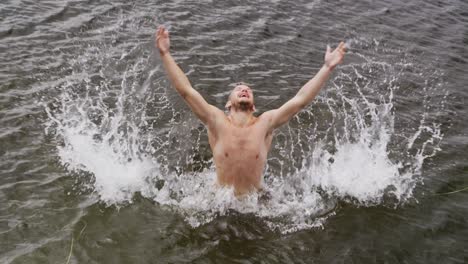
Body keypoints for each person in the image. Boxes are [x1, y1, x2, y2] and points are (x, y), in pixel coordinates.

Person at [155, 25, 346, 196]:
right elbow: (186, 91)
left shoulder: (266, 122)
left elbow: (300, 101)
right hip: (220, 201)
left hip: (256, 203)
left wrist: (327, 67)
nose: (244, 89)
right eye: (238, 89)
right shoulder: (216, 120)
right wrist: (165, 54)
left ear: (254, 106)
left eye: (248, 90)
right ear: (228, 104)